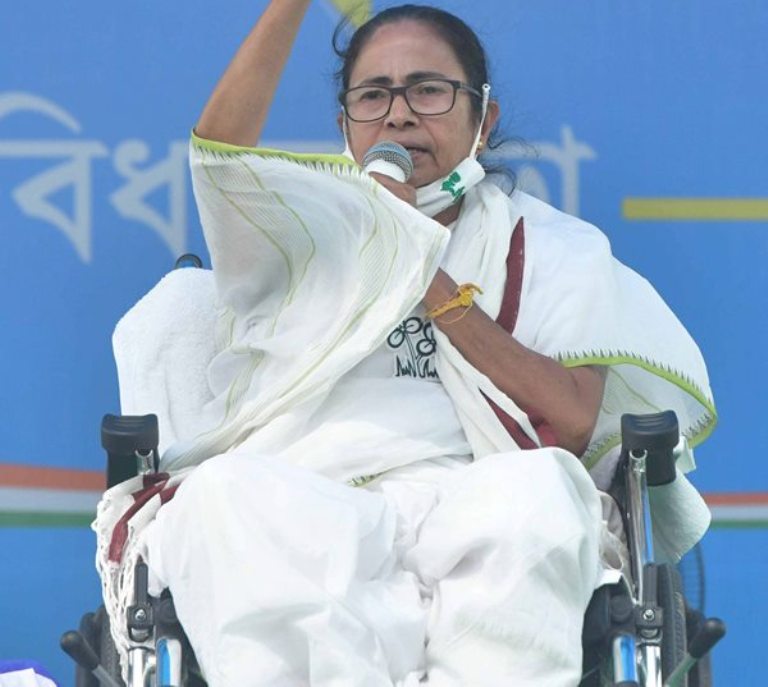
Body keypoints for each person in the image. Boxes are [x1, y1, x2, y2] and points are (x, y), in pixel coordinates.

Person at [94, 2, 716, 685]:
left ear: (484, 120)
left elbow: (569, 418)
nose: (398, 115)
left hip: (473, 492)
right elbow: (219, 156)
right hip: (309, 494)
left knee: (544, 493)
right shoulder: (296, 234)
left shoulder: (552, 248)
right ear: (344, 127)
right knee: (221, 495)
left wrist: (420, 268)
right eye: (373, 95)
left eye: (428, 89)